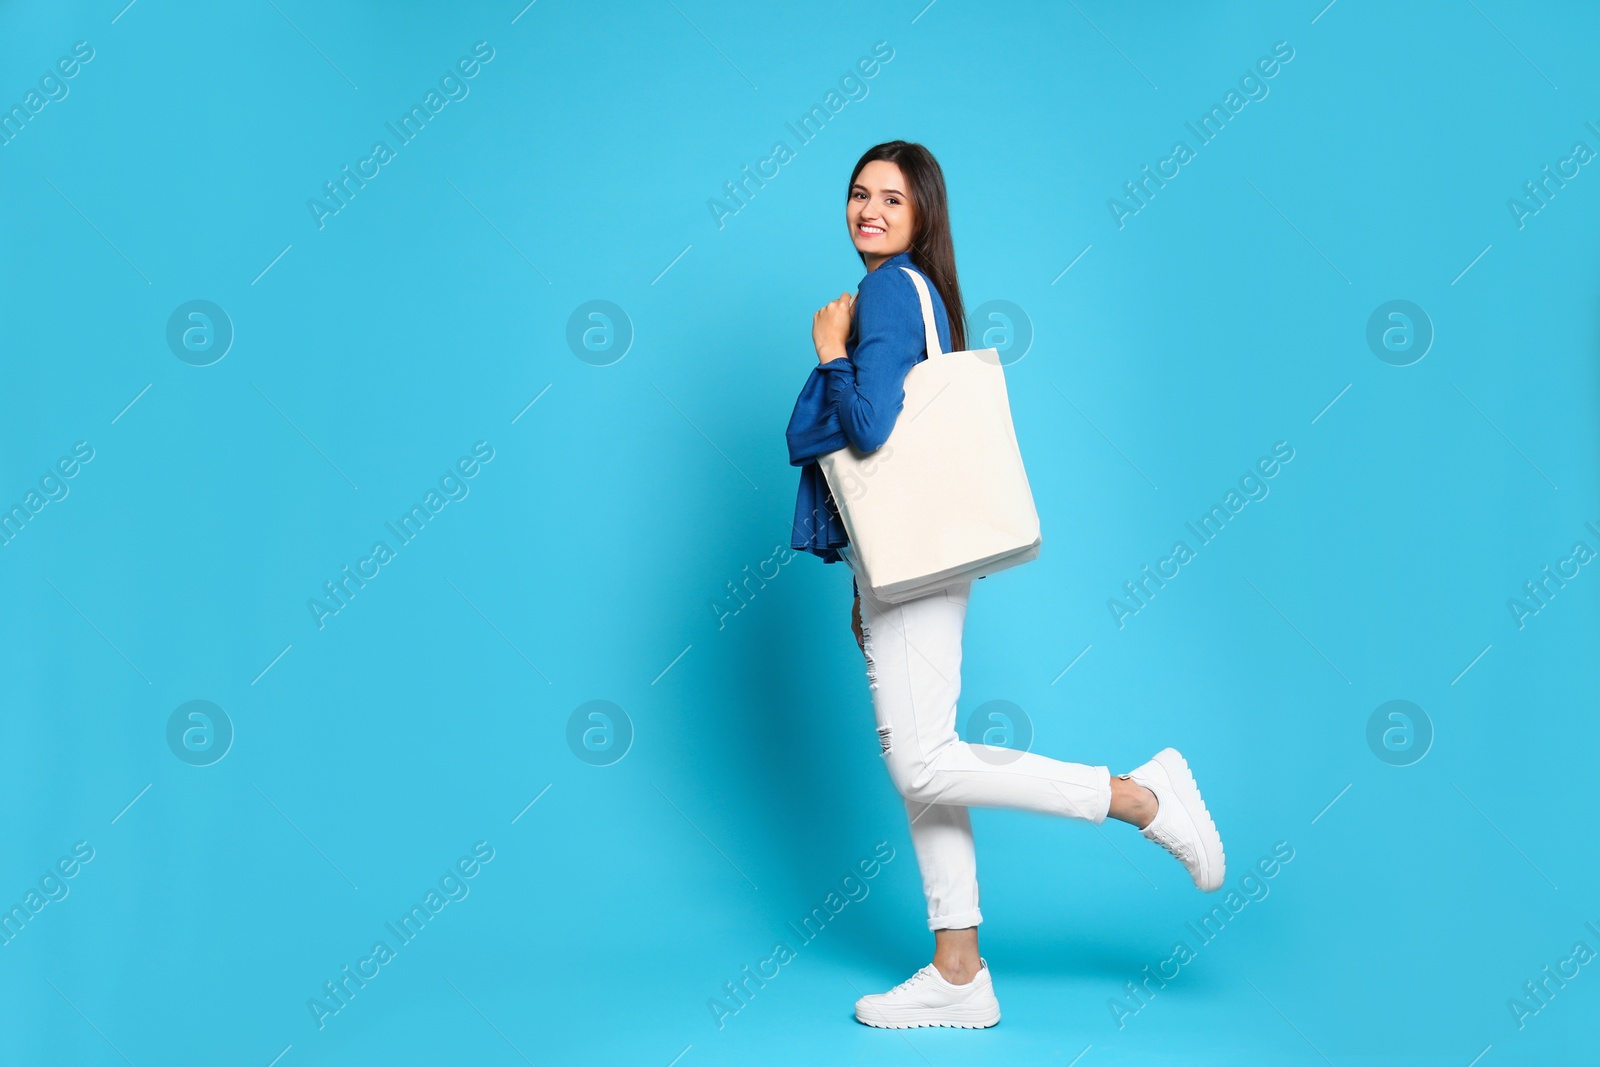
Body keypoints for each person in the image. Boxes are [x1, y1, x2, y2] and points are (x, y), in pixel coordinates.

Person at [784, 140, 1227, 1030]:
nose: (868, 210)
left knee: (923, 757)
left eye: (891, 201)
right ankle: (959, 969)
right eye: (858, 194)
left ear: (922, 217)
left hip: (915, 571)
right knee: (924, 777)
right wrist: (861, 586)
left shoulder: (880, 294)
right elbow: (892, 480)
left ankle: (1136, 794)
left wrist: (831, 351)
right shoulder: (921, 297)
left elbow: (869, 431)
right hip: (906, 565)